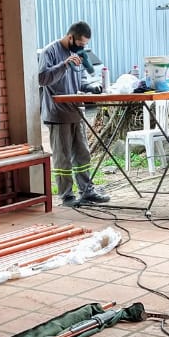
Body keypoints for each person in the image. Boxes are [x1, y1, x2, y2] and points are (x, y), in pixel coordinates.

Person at [38, 21, 110, 206]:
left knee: (82, 154)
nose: (81, 47)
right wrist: (64, 65)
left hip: (77, 112)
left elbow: (81, 80)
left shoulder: (78, 53)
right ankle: (67, 195)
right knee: (63, 157)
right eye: (79, 43)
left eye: (84, 44)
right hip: (58, 114)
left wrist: (92, 87)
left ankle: (87, 191)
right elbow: (42, 78)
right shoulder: (50, 52)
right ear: (70, 37)